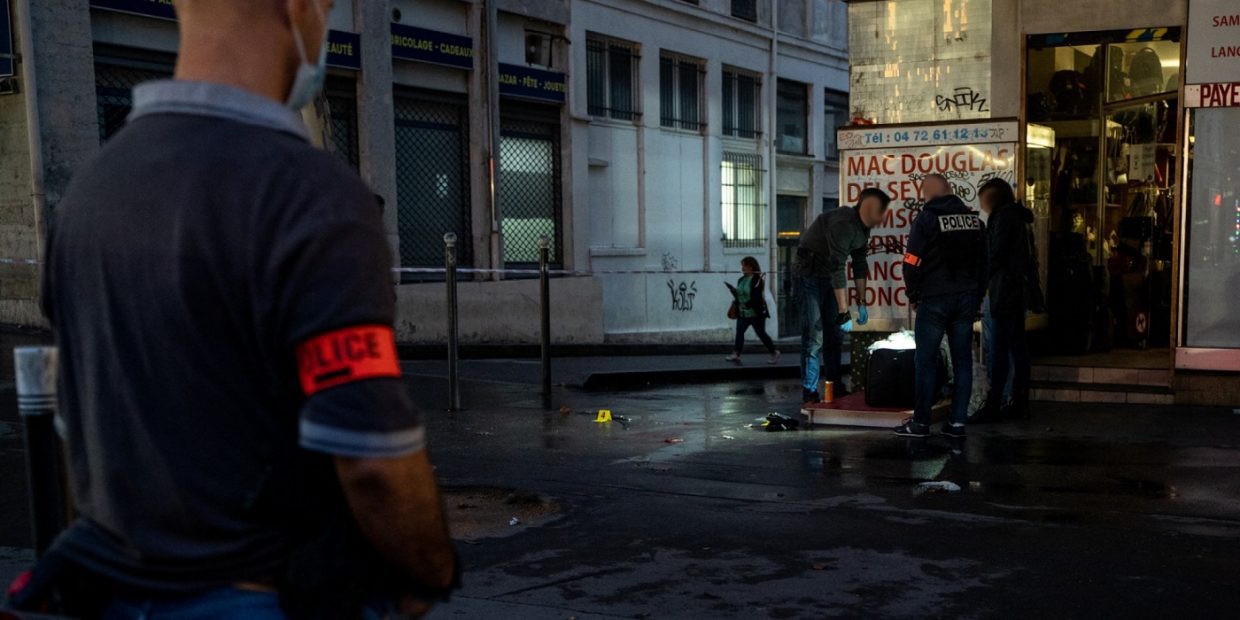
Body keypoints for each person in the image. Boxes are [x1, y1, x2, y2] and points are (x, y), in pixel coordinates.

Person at [20, 1, 457, 617]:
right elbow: (373, 463)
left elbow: (81, 424)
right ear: (299, 7)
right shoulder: (311, 195)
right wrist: (431, 572)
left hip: (112, 592)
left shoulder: (89, 194)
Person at [894, 174, 987, 438]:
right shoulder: (975, 222)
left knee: (925, 362)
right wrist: (976, 296)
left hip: (934, 298)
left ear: (929, 193)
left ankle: (921, 423)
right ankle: (957, 423)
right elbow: (984, 264)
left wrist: (913, 293)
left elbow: (911, 261)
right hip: (966, 298)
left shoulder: (926, 219)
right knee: (962, 363)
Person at [795, 188, 891, 403]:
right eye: (881, 211)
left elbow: (859, 264)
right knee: (814, 336)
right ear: (869, 208)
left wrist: (862, 302)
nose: (883, 218)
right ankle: (809, 391)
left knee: (834, 336)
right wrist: (843, 311)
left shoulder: (863, 229)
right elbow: (838, 268)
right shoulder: (844, 224)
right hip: (809, 274)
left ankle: (835, 386)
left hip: (827, 276)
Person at [975, 178, 1044, 422]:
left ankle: (995, 403)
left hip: (1004, 291)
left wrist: (978, 278)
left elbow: (995, 255)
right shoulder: (1019, 218)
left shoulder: (1003, 218)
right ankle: (1018, 400)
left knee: (1000, 349)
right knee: (1017, 347)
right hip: (1017, 291)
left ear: (991, 199)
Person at [724, 257, 780, 364]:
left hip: (756, 313)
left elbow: (756, 297)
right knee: (739, 332)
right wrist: (733, 290)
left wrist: (746, 303)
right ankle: (736, 353)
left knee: (761, 333)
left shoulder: (757, 279)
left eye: (744, 265)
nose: (742, 268)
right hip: (743, 312)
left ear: (750, 267)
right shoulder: (741, 280)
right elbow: (739, 295)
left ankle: (774, 352)